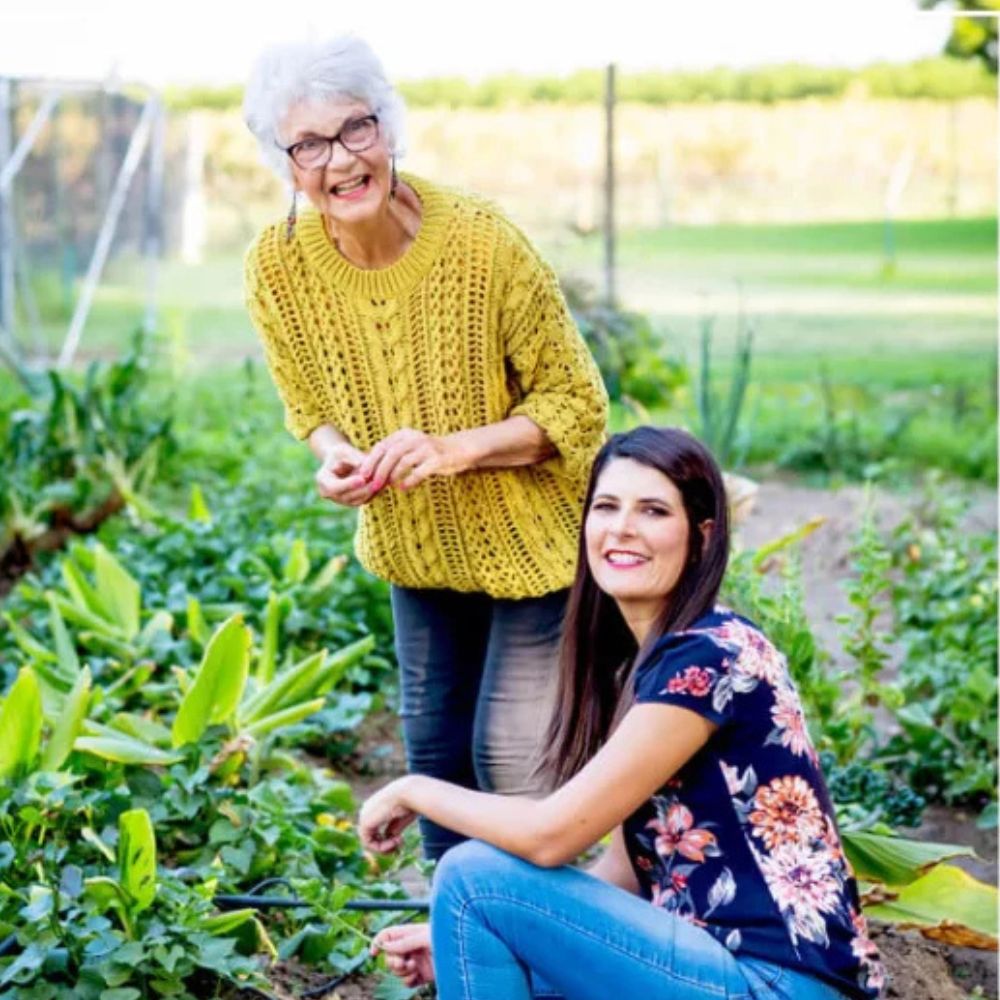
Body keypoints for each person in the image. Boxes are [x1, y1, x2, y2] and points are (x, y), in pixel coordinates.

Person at [242, 36, 608, 861]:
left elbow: (579, 406)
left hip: (534, 547)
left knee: (507, 764)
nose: (340, 159)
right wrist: (333, 454)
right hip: (416, 552)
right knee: (437, 766)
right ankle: (457, 952)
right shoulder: (276, 267)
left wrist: (452, 451)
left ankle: (536, 961)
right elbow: (309, 405)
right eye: (308, 144)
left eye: (356, 129)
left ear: (389, 127)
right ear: (283, 160)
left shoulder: (483, 244)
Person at [360, 426, 885, 1000]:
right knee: (485, 912)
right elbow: (628, 871)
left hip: (776, 983)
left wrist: (414, 790)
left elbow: (548, 837)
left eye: (654, 510)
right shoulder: (648, 664)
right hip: (715, 971)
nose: (622, 528)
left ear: (702, 536)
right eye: (606, 506)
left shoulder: (709, 658)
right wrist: (484, 935)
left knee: (472, 873)